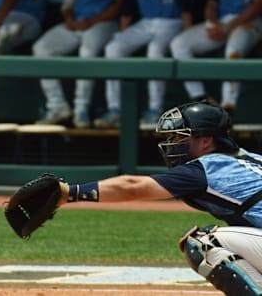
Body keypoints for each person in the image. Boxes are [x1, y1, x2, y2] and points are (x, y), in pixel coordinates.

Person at [35, 101, 262, 295]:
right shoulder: (253, 159)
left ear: (206, 141)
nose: (173, 143)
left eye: (182, 137)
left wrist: (69, 193)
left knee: (203, 243)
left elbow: (133, 187)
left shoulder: (205, 168)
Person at [33, 0, 133, 128]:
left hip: (103, 23)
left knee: (87, 51)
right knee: (41, 47)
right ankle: (57, 106)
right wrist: (69, 18)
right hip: (78, 23)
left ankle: (81, 109)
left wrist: (91, 20)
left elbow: (118, 5)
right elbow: (68, 1)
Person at [94, 0, 192, 129]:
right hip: (146, 22)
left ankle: (155, 109)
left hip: (172, 21)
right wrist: (123, 32)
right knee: (114, 48)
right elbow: (128, 4)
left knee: (155, 50)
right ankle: (115, 109)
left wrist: (188, 30)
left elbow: (184, 1)